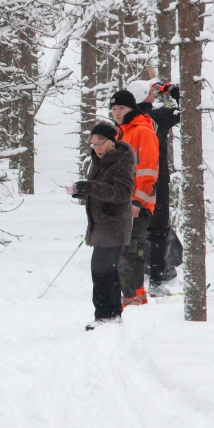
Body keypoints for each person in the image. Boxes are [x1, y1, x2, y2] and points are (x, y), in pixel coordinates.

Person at [71, 122, 135, 330]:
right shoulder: (98, 160)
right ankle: (111, 314)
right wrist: (83, 191)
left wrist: (91, 187)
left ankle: (107, 315)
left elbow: (121, 193)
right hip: (101, 224)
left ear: (112, 140)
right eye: (93, 144)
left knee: (102, 270)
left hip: (114, 224)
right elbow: (101, 190)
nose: (96, 148)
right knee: (106, 270)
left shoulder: (121, 159)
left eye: (101, 143)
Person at [110, 89, 159, 308]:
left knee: (130, 251)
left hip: (138, 203)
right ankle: (134, 297)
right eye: (113, 109)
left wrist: (138, 201)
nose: (117, 113)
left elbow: (148, 170)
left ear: (132, 108)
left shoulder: (142, 131)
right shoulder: (120, 133)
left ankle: (132, 299)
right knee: (126, 251)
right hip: (123, 202)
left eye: (121, 108)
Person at [138, 83, 182, 297]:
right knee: (158, 231)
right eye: (150, 92)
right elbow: (187, 111)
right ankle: (156, 279)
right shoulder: (157, 116)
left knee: (135, 230)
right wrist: (174, 92)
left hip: (131, 183)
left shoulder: (124, 120)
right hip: (156, 182)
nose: (153, 94)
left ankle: (133, 280)